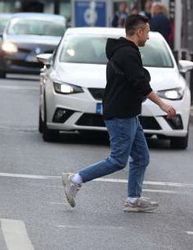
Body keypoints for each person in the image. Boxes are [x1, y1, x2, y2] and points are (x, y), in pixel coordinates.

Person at [61, 14, 176, 212]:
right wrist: (162, 105)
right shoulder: (127, 54)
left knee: (141, 157)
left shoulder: (123, 51)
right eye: (147, 32)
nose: (148, 37)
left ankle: (133, 199)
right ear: (139, 31)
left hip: (128, 113)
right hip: (121, 115)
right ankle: (76, 179)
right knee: (117, 160)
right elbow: (140, 83)